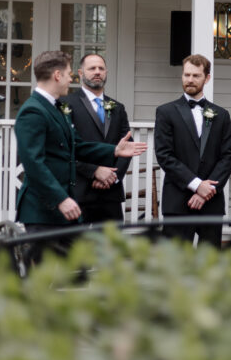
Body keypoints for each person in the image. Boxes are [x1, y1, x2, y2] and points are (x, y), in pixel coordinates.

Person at [14, 50, 147, 261]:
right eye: (68, 73)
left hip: (64, 207)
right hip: (43, 208)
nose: (70, 79)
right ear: (57, 75)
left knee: (75, 270)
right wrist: (61, 199)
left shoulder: (54, 108)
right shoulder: (34, 111)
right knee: (41, 278)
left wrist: (114, 150)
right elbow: (34, 164)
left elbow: (76, 145)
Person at [154, 54, 231, 246]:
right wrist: (197, 185)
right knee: (176, 264)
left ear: (207, 78)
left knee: (210, 264)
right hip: (178, 200)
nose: (190, 80)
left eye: (196, 75)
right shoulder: (166, 112)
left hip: (211, 201)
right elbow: (165, 155)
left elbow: (228, 156)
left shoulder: (221, 115)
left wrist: (208, 190)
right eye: (186, 75)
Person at [63, 53, 132, 224]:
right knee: (76, 248)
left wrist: (113, 177)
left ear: (106, 72)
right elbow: (64, 146)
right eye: (92, 68)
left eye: (101, 68)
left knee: (112, 248)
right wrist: (94, 171)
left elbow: (126, 146)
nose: (97, 72)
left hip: (110, 193)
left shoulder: (117, 108)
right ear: (80, 73)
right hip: (79, 190)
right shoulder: (66, 104)